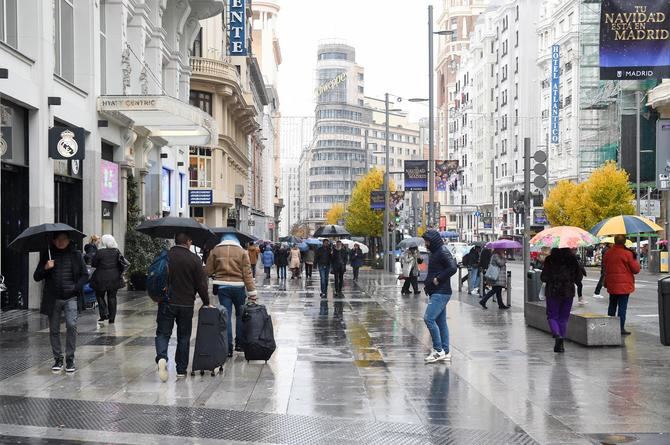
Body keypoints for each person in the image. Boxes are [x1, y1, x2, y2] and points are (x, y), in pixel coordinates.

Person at [155, 232, 211, 381]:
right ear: (188, 242)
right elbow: (201, 284)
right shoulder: (194, 259)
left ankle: (161, 357)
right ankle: (180, 369)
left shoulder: (165, 256)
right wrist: (206, 302)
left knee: (162, 333)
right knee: (183, 337)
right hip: (186, 303)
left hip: (167, 301)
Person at [34, 232, 89, 373]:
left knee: (71, 325)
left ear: (68, 240)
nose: (60, 242)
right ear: (53, 241)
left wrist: (76, 287)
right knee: (54, 329)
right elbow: (36, 276)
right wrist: (46, 267)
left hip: (71, 297)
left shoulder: (76, 255)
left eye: (63, 239)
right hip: (53, 298)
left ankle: (70, 358)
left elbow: (84, 275)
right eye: (57, 239)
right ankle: (58, 358)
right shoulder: (48, 255)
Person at [206, 233, 257, 356]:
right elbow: (247, 273)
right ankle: (239, 344)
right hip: (239, 287)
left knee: (226, 316)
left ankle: (227, 347)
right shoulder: (242, 252)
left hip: (222, 288)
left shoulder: (215, 250)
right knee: (240, 315)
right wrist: (252, 292)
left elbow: (208, 270)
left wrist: (216, 273)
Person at [421, 229, 457, 363]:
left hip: (440, 291)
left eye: (427, 241)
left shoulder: (442, 251)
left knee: (429, 318)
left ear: (432, 241)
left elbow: (453, 267)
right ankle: (446, 351)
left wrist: (438, 279)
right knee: (440, 322)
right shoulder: (436, 252)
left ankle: (438, 350)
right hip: (438, 291)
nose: (425, 244)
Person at [541, 248, 583, 353]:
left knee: (552, 316)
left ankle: (557, 335)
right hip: (568, 291)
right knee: (563, 318)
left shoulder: (550, 259)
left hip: (553, 291)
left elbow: (544, 277)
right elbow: (579, 278)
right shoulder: (572, 259)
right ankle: (561, 344)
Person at [602, 235, 641, 335]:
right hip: (624, 285)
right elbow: (636, 270)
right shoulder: (628, 254)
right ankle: (620, 328)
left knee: (612, 305)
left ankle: (610, 325)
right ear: (624, 242)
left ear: (614, 241)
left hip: (612, 283)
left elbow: (605, 267)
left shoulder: (608, 253)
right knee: (622, 307)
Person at [90, 234, 125, 324]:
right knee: (112, 297)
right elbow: (121, 263)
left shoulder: (100, 252)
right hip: (115, 278)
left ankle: (104, 313)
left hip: (101, 278)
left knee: (99, 295)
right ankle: (112, 318)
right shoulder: (117, 251)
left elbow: (93, 264)